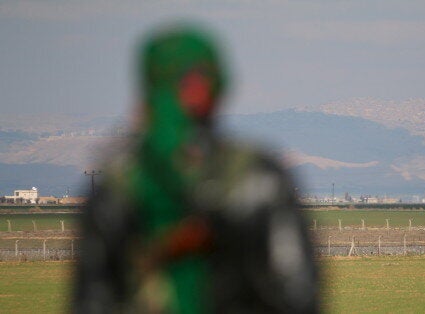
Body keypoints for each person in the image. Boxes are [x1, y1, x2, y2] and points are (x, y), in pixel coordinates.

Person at [73, 24, 319, 313]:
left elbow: (92, 300)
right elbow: (296, 294)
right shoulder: (259, 178)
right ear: (217, 87)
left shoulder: (116, 185)